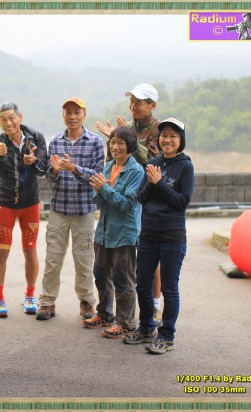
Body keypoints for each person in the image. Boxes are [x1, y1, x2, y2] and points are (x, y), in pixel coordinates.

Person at [123, 118, 194, 354]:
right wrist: (153, 183)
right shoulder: (153, 163)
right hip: (148, 234)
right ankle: (145, 328)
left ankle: (166, 336)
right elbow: (141, 197)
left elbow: (181, 202)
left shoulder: (186, 167)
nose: (168, 139)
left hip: (172, 236)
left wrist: (159, 183)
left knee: (169, 288)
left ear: (181, 140)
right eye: (164, 135)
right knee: (142, 284)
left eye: (173, 135)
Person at [96, 83, 165, 327]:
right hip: (126, 200)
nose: (133, 105)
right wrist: (118, 138)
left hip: (151, 201)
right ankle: (111, 312)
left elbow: (156, 160)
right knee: (113, 267)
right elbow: (113, 163)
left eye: (139, 102)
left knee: (149, 257)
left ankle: (154, 306)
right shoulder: (127, 129)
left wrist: (128, 139)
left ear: (152, 105)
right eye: (132, 101)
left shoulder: (159, 129)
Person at [35, 97, 104, 321]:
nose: (72, 116)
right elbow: (49, 176)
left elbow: (98, 176)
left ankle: (86, 302)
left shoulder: (95, 142)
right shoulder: (55, 141)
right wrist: (55, 170)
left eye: (76, 112)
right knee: (53, 258)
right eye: (68, 112)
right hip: (59, 208)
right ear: (63, 115)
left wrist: (74, 168)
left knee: (84, 259)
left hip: (84, 209)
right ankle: (47, 302)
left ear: (84, 114)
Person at [83, 126, 144, 338]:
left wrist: (105, 189)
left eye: (120, 143)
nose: (115, 147)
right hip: (104, 231)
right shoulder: (108, 166)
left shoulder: (136, 171)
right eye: (112, 142)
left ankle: (126, 323)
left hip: (124, 233)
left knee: (123, 278)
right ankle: (104, 314)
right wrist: (100, 190)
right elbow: (98, 200)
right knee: (100, 274)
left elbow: (127, 203)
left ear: (130, 146)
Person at [0, 102, 47, 317]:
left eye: (11, 117)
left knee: (30, 250)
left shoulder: (36, 138)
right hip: (6, 203)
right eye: (3, 119)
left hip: (30, 203)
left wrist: (33, 162)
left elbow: (42, 170)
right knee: (1, 251)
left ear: (20, 117)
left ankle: (30, 295)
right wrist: (1, 156)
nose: (8, 123)